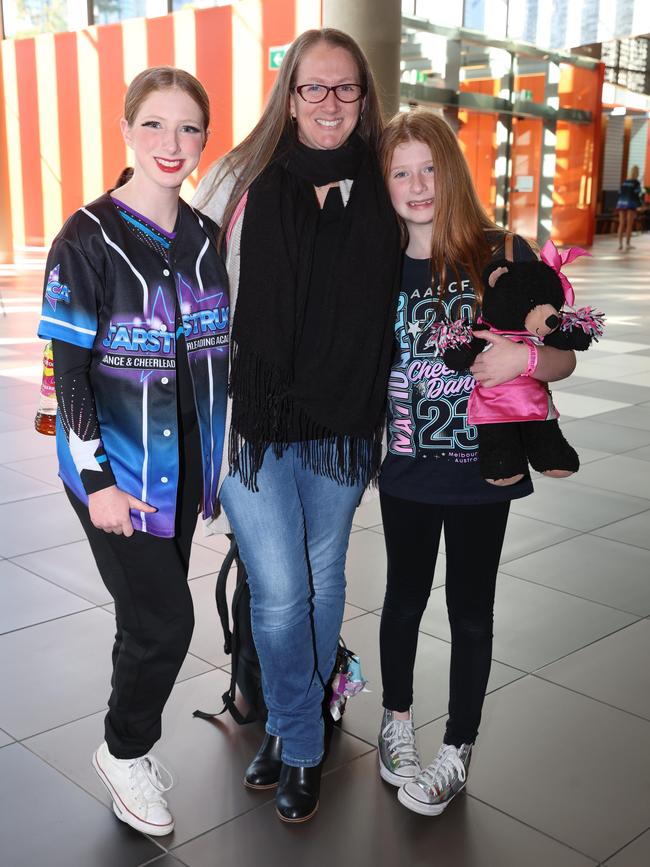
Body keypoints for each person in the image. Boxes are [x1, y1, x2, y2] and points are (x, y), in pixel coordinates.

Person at [194, 28, 400, 823]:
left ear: (364, 97)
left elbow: (442, 252)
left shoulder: (382, 184)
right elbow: (174, 264)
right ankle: (305, 741)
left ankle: (287, 731)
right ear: (289, 94)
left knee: (324, 585)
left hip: (345, 423)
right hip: (255, 423)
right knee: (280, 594)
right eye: (314, 87)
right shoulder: (242, 177)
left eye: (345, 88)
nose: (330, 103)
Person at [37, 67, 229, 836]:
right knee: (166, 620)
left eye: (187, 128)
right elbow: (67, 372)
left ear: (204, 140)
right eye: (153, 125)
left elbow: (215, 356)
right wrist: (97, 482)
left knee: (141, 615)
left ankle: (129, 742)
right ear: (125, 132)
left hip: (182, 467)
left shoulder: (206, 240)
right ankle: (124, 751)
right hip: (115, 469)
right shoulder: (87, 238)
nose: (171, 143)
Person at [375, 110, 576, 816]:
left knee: (471, 610)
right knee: (402, 598)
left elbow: (564, 353)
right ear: (386, 183)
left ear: (452, 171)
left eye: (429, 167)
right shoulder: (377, 261)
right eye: (400, 171)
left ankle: (458, 746)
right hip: (404, 469)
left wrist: (528, 356)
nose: (417, 183)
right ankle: (395, 722)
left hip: (479, 472)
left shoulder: (502, 251)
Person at [616, 165, 642, 251]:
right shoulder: (636, 183)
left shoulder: (625, 182)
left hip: (621, 203)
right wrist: (639, 205)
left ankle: (620, 244)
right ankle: (627, 244)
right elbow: (637, 194)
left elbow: (619, 193)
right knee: (629, 224)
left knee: (621, 223)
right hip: (631, 203)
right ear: (636, 173)